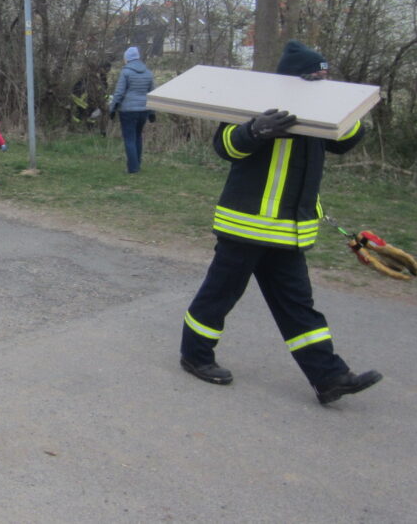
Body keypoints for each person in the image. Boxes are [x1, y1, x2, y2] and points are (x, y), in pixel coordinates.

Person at [179, 40, 381, 405]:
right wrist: (255, 130)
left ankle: (329, 377)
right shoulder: (256, 102)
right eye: (314, 75)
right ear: (291, 78)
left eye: (325, 75)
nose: (322, 80)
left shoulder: (322, 111)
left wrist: (342, 106)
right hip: (245, 227)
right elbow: (225, 146)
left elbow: (347, 140)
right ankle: (194, 356)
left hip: (290, 234)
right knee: (219, 297)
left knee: (299, 307)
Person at [108, 46, 155, 173]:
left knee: (129, 138)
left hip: (128, 110)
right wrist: (152, 112)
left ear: (127, 58)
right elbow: (152, 93)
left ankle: (133, 168)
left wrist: (112, 108)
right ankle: (137, 164)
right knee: (138, 137)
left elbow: (119, 93)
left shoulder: (126, 72)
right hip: (143, 110)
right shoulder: (148, 73)